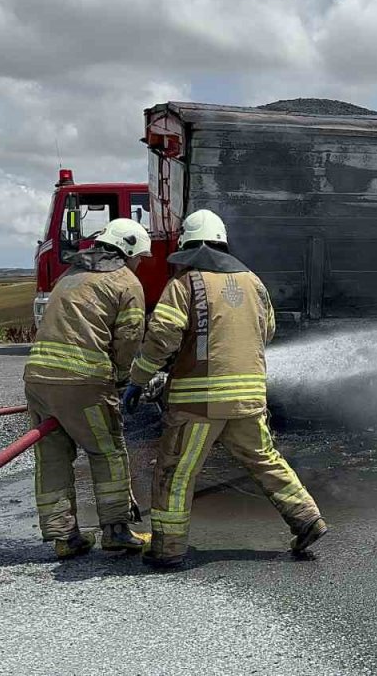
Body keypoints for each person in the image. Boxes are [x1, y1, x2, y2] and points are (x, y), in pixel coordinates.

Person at [125, 209, 327, 570]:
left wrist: (139, 379)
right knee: (265, 460)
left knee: (176, 473)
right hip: (249, 398)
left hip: (198, 403)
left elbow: (162, 337)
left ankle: (167, 549)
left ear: (187, 245)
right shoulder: (254, 282)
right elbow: (267, 332)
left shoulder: (186, 283)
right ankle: (306, 518)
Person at [23, 218, 152, 559]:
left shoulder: (70, 275)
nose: (139, 263)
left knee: (52, 457)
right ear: (127, 249)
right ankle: (117, 530)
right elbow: (128, 338)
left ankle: (64, 536)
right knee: (107, 451)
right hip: (84, 383)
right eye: (139, 256)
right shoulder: (125, 282)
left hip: (38, 379)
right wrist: (125, 377)